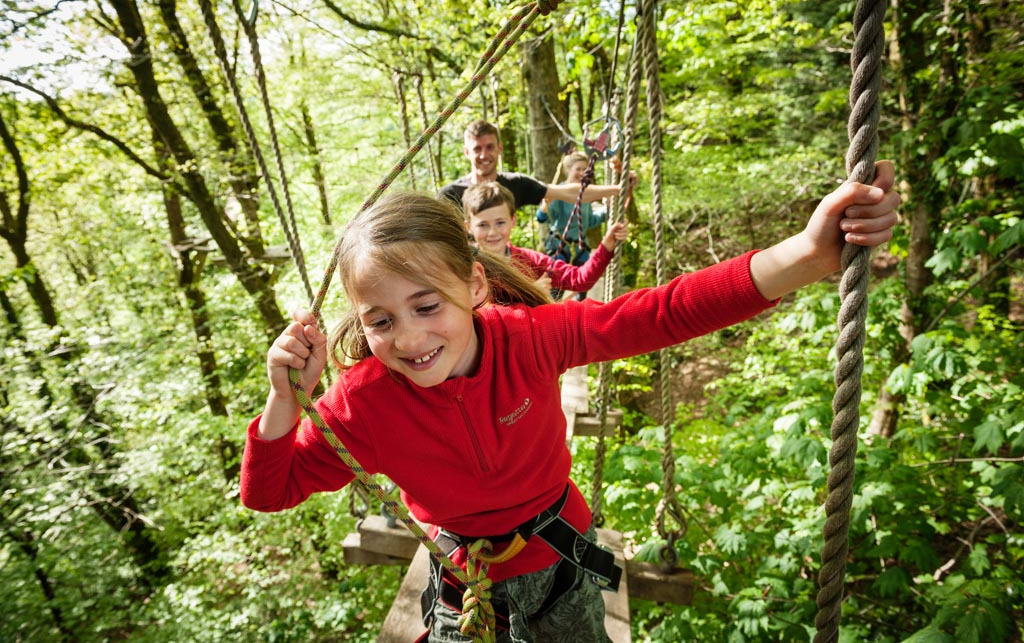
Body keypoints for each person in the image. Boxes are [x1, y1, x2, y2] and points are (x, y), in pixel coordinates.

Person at [241, 160, 899, 643]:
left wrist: (805, 255)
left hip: (559, 558)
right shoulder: (364, 403)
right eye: (380, 321)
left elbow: (660, 313)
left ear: (475, 286)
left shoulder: (530, 339)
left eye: (427, 306)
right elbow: (271, 491)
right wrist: (284, 401)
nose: (409, 339)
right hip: (462, 581)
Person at [463, 181, 628, 300]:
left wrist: (606, 246)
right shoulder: (464, 267)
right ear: (468, 227)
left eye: (500, 223)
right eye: (483, 225)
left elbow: (580, 279)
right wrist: (529, 293)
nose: (492, 232)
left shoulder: (531, 260)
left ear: (513, 221)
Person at [437, 119, 621, 211]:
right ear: (467, 152)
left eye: (490, 147)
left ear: (500, 148)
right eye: (477, 149)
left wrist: (618, 189)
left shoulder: (515, 184)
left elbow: (568, 192)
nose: (484, 155)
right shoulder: (450, 195)